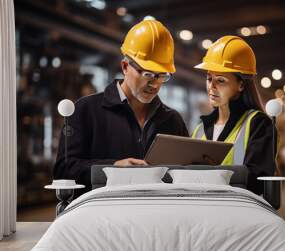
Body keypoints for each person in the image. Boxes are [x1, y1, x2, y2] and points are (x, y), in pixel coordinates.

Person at [53, 20, 189, 192]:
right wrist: (113, 168)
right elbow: (63, 170)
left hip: (155, 214)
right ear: (125, 66)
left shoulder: (172, 120)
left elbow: (183, 175)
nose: (155, 84)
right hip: (101, 215)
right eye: (148, 74)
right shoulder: (85, 111)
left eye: (162, 76)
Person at [192, 36, 276, 195]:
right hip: (203, 209)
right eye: (209, 79)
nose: (212, 86)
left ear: (241, 84)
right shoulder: (200, 129)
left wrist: (217, 173)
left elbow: (260, 180)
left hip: (240, 211)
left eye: (221, 80)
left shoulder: (259, 125)